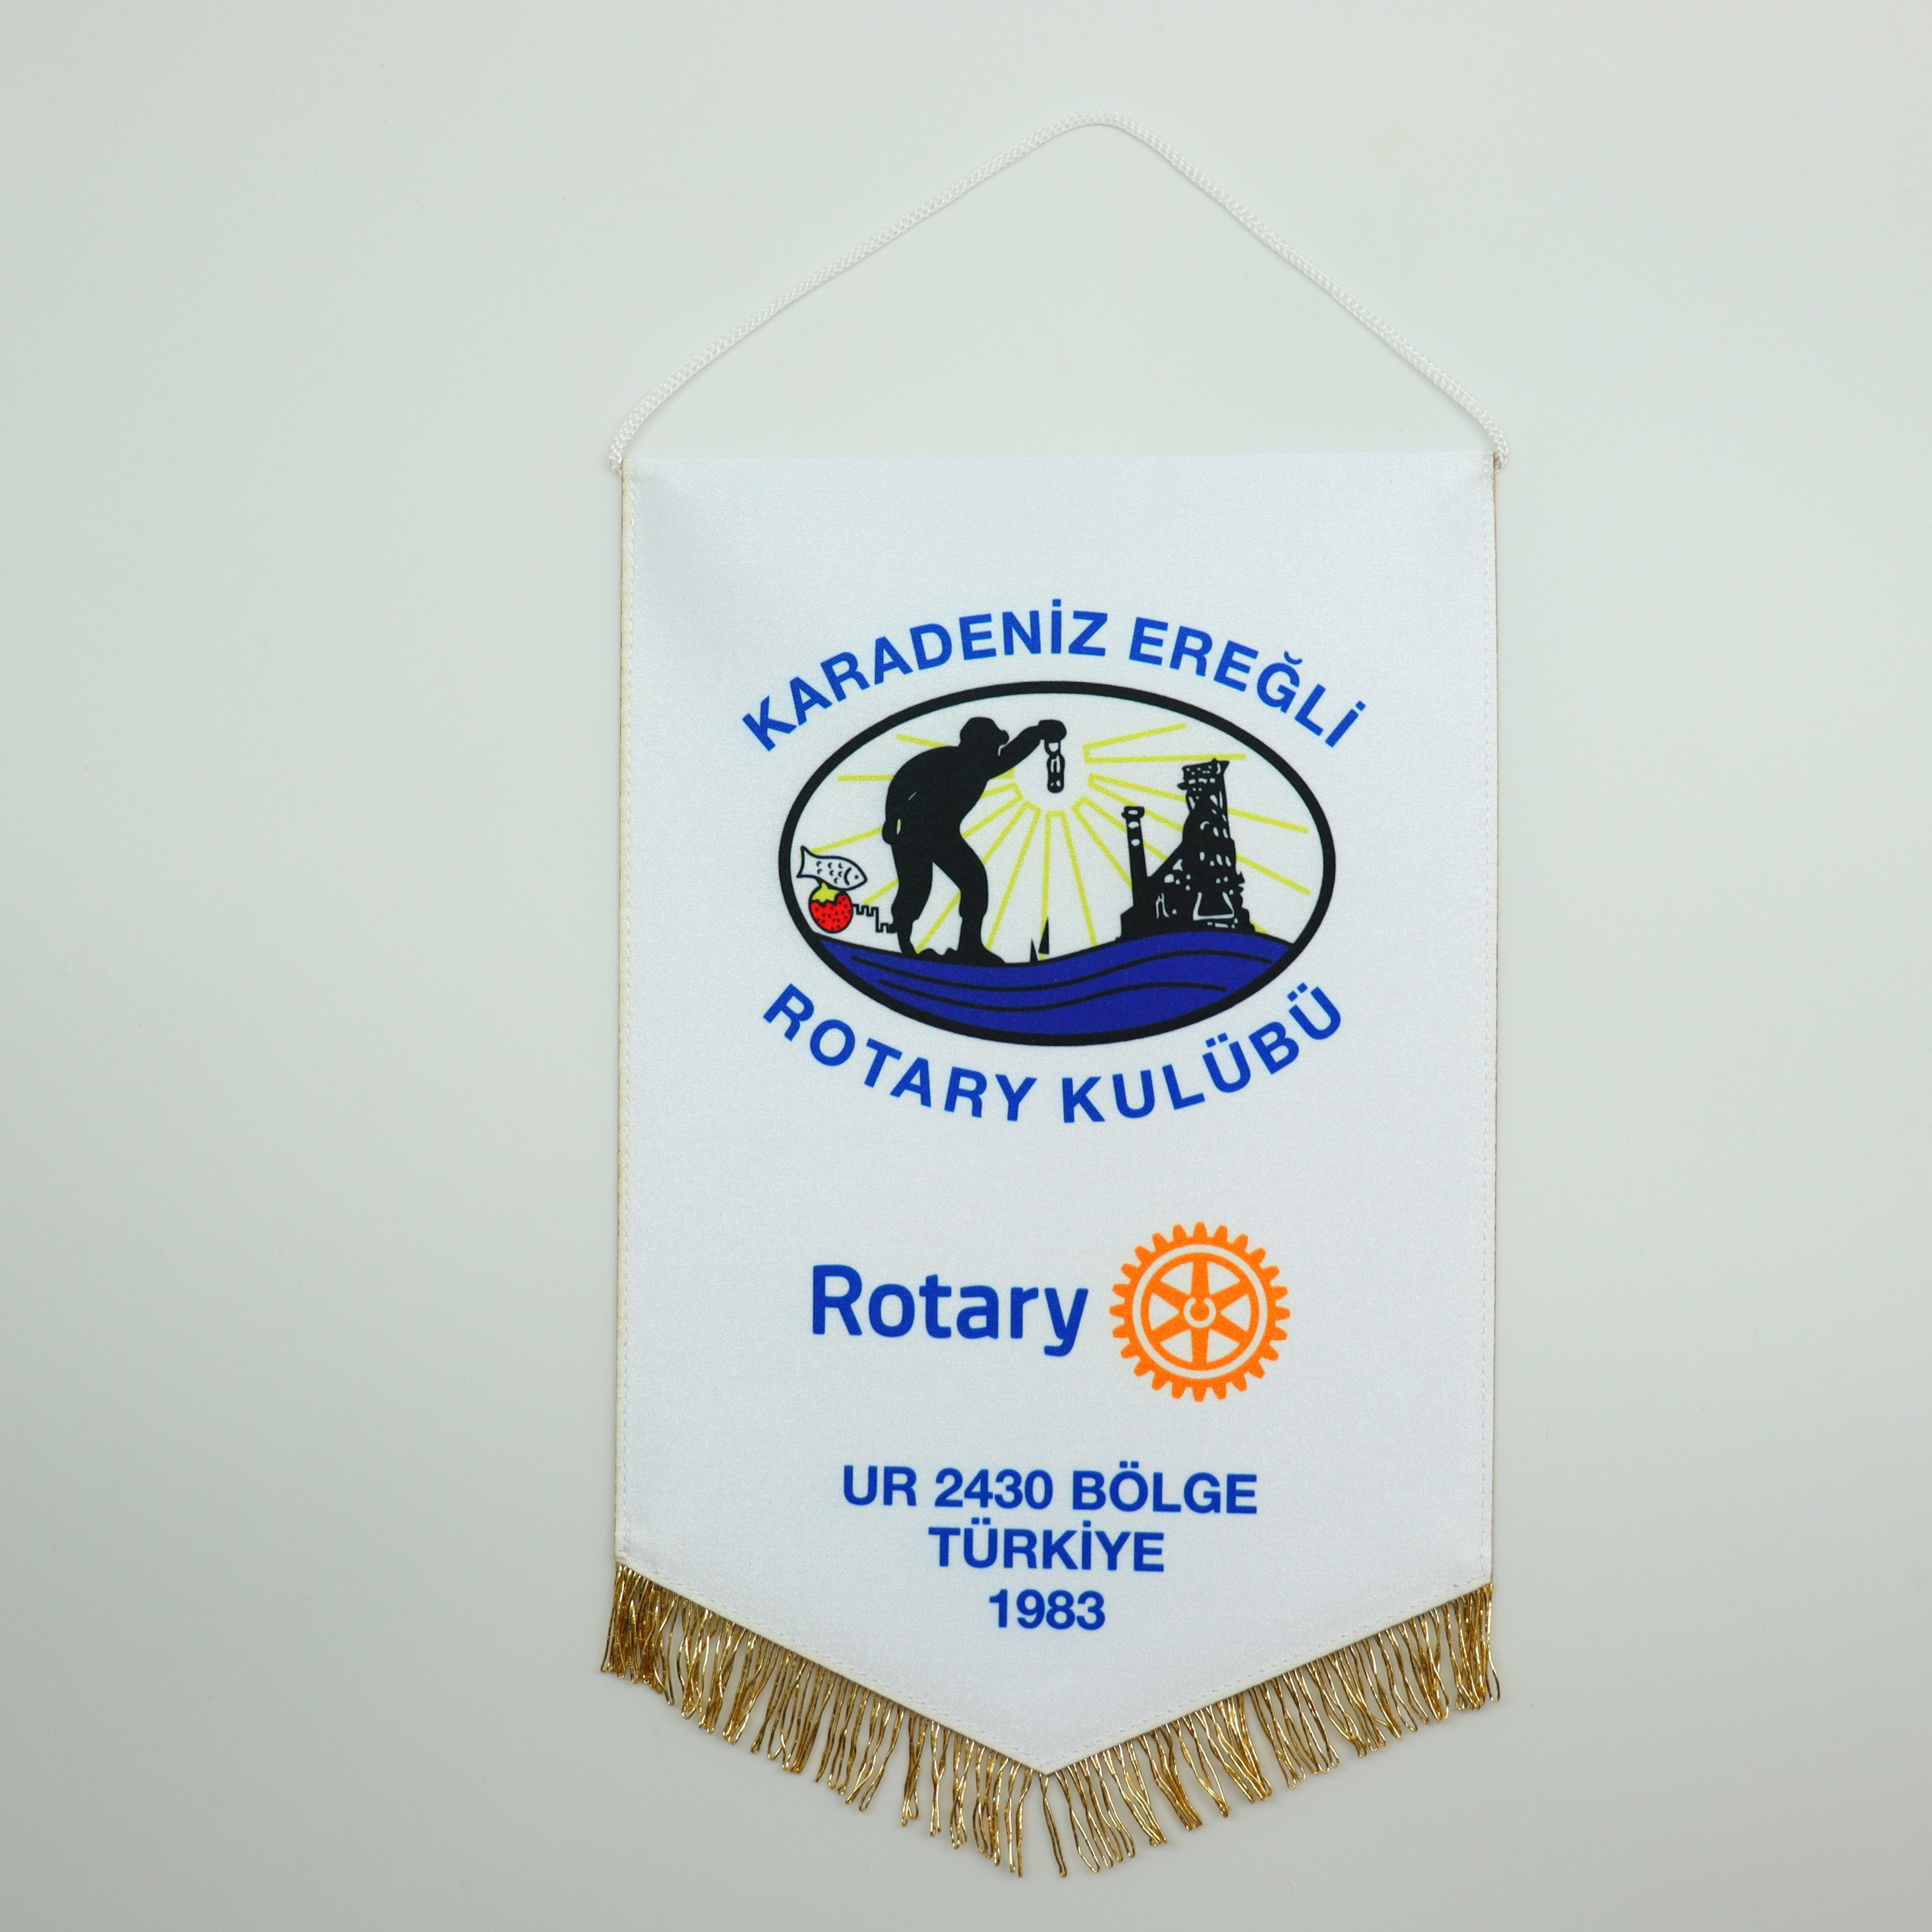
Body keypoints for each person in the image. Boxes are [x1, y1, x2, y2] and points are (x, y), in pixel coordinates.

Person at [882, 716, 1064, 962]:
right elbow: (902, 782)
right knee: (916, 888)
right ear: (978, 745)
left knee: (975, 883)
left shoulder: (982, 766)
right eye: (993, 745)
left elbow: (1012, 754)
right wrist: (891, 819)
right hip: (915, 832)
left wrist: (1038, 733)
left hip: (944, 834)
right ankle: (904, 945)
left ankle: (970, 946)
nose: (996, 751)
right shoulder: (945, 760)